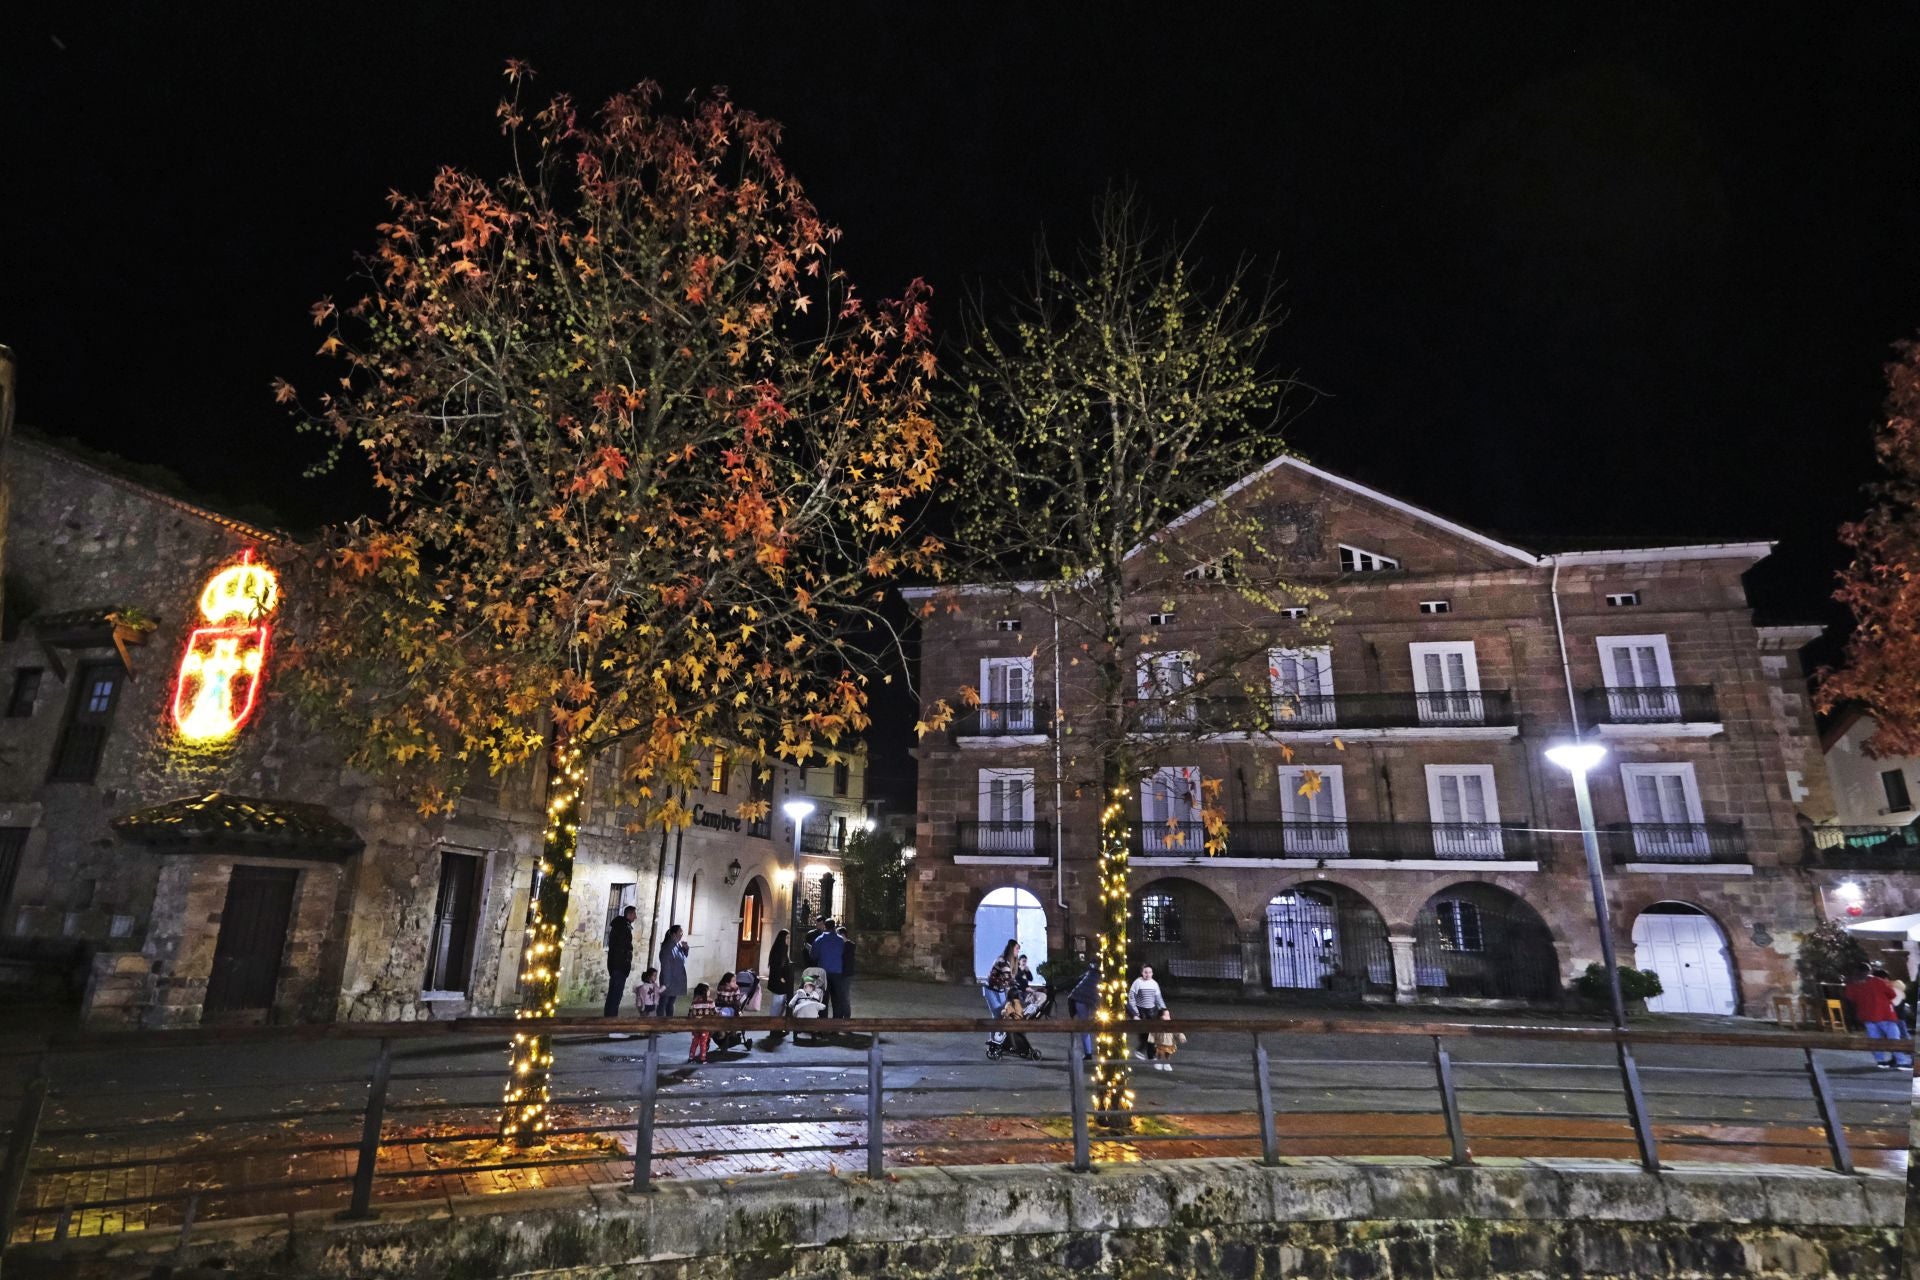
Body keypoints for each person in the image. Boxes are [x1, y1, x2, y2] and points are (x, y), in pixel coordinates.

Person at [1844, 964, 1912, 1070]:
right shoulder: (1877, 981)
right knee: (1893, 1038)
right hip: (1885, 1014)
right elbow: (1892, 994)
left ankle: (1880, 1060)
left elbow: (1850, 998)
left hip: (1867, 1015)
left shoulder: (1852, 984)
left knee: (1874, 1039)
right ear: (1869, 971)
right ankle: (1901, 1061)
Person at [811, 920, 853, 1018]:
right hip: (837, 973)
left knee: (823, 999)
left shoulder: (819, 939)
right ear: (834, 927)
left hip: (823, 973)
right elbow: (844, 954)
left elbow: (813, 956)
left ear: (825, 926)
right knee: (836, 999)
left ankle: (823, 1025)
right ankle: (836, 1025)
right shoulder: (840, 940)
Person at [603, 905, 637, 1018]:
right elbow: (621, 949)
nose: (635, 917)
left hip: (616, 966)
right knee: (616, 994)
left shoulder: (619, 926)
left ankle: (608, 1018)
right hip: (619, 967)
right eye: (634, 914)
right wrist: (624, 965)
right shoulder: (623, 928)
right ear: (629, 914)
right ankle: (611, 1021)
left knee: (613, 993)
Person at [1128, 965, 1167, 1058]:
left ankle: (1150, 1055)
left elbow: (1158, 999)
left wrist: (1164, 1010)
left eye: (1150, 972)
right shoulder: (1138, 983)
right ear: (1142, 972)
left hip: (1151, 1011)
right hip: (1141, 1011)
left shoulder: (1154, 984)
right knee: (1146, 1033)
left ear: (1152, 973)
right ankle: (1141, 1050)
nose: (1148, 974)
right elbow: (1131, 997)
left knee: (1152, 1033)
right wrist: (1134, 1013)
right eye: (1146, 972)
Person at [1066, 961, 1101, 1059]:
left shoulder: (1088, 974)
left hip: (1080, 998)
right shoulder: (1102, 976)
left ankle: (1088, 1053)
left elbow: (1075, 981)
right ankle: (1094, 1051)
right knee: (1099, 1025)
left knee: (1084, 1026)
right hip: (1092, 1000)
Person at [657, 925, 689, 1019]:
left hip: (674, 980)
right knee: (664, 1003)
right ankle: (660, 1024)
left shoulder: (677, 945)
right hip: (669, 981)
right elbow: (666, 966)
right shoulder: (668, 948)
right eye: (680, 932)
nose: (682, 934)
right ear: (674, 934)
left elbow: (681, 960)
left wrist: (685, 950)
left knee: (670, 1003)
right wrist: (666, 983)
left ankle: (669, 1023)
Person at [686, 983, 717, 1063]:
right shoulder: (710, 1001)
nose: (709, 992)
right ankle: (703, 1059)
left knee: (694, 1042)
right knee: (703, 1042)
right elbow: (714, 1013)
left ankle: (691, 1057)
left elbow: (690, 1014)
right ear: (705, 992)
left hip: (695, 1027)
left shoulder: (694, 1001)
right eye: (708, 990)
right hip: (705, 1026)